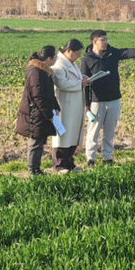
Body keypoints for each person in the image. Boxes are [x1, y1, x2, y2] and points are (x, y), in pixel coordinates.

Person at [81, 30, 135, 166]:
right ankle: (90, 158)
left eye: (106, 39)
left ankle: (107, 158)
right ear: (94, 41)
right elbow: (84, 83)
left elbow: (128, 52)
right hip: (96, 101)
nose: (106, 42)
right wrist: (86, 105)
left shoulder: (112, 53)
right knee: (93, 132)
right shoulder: (86, 60)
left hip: (114, 99)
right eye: (103, 40)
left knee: (109, 132)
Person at [15, 46, 61, 176]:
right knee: (35, 142)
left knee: (40, 141)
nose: (56, 59)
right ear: (49, 58)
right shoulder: (36, 72)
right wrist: (48, 114)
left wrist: (56, 107)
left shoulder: (44, 71)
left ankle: (37, 169)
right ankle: (32, 170)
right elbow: (38, 96)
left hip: (40, 113)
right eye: (55, 57)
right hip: (35, 113)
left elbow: (49, 93)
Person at [51, 39, 89, 174]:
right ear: (68, 51)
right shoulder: (59, 63)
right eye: (76, 53)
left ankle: (69, 162)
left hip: (75, 104)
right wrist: (79, 84)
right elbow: (61, 82)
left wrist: (82, 78)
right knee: (63, 136)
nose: (78, 56)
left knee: (73, 134)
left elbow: (74, 77)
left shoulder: (71, 63)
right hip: (65, 104)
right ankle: (59, 165)